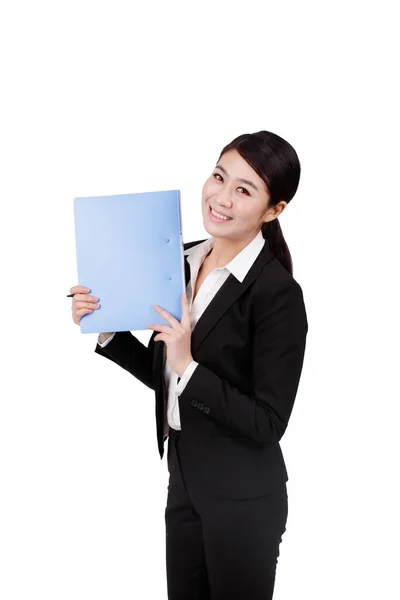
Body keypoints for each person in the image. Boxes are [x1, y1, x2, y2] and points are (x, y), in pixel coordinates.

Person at [69, 130, 308, 600]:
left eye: (244, 190)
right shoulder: (179, 257)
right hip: (183, 482)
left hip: (243, 497)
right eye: (219, 177)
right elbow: (169, 376)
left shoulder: (278, 295)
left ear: (274, 209)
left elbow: (268, 421)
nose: (221, 197)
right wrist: (108, 329)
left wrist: (190, 364)